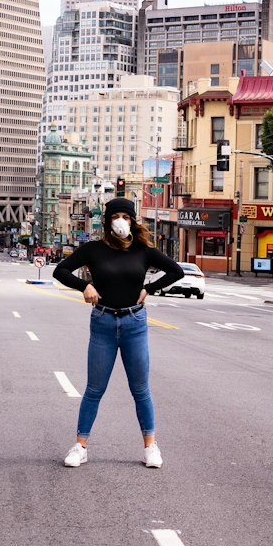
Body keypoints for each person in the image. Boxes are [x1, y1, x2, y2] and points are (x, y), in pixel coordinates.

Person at [53, 198, 184, 469]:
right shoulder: (94, 249)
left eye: (126, 216)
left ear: (133, 220)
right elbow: (60, 270)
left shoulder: (143, 251)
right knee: (94, 389)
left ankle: (151, 446)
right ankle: (80, 446)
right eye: (116, 216)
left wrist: (150, 288)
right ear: (108, 221)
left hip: (134, 323)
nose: (121, 221)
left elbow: (176, 271)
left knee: (140, 389)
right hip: (102, 322)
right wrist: (84, 286)